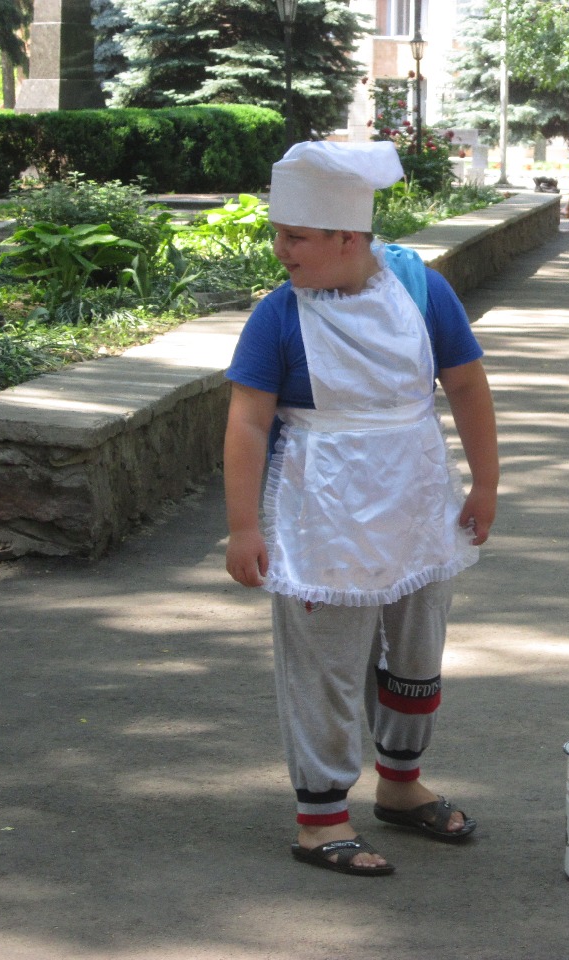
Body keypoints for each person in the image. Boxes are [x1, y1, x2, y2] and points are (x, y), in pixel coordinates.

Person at [223, 140, 499, 876]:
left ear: (348, 237)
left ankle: (401, 787)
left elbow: (466, 385)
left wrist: (486, 483)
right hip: (322, 511)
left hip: (416, 501)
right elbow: (247, 422)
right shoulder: (278, 316)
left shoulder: (422, 291)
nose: (280, 250)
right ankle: (320, 818)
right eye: (279, 234)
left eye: (296, 236)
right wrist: (244, 526)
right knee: (328, 666)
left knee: (415, 653)